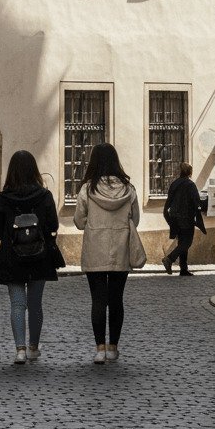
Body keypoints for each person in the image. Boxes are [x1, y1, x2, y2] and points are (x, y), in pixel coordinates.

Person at [0, 150, 66, 364]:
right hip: (39, 255)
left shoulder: (3, 197)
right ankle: (34, 347)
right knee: (35, 304)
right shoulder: (44, 196)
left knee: (17, 304)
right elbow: (53, 224)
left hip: (12, 256)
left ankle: (20, 350)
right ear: (34, 169)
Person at [73, 142, 143, 364]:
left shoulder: (88, 189)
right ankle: (113, 347)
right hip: (121, 249)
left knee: (98, 300)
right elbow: (136, 220)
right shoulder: (128, 189)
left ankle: (100, 349)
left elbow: (78, 222)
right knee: (116, 300)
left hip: (95, 248)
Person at [161, 163, 206, 276]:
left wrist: (168, 216)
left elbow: (169, 202)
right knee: (187, 242)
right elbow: (196, 202)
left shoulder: (174, 184)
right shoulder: (190, 185)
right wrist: (200, 210)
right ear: (190, 172)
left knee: (182, 242)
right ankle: (169, 258)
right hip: (186, 217)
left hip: (175, 217)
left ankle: (183, 269)